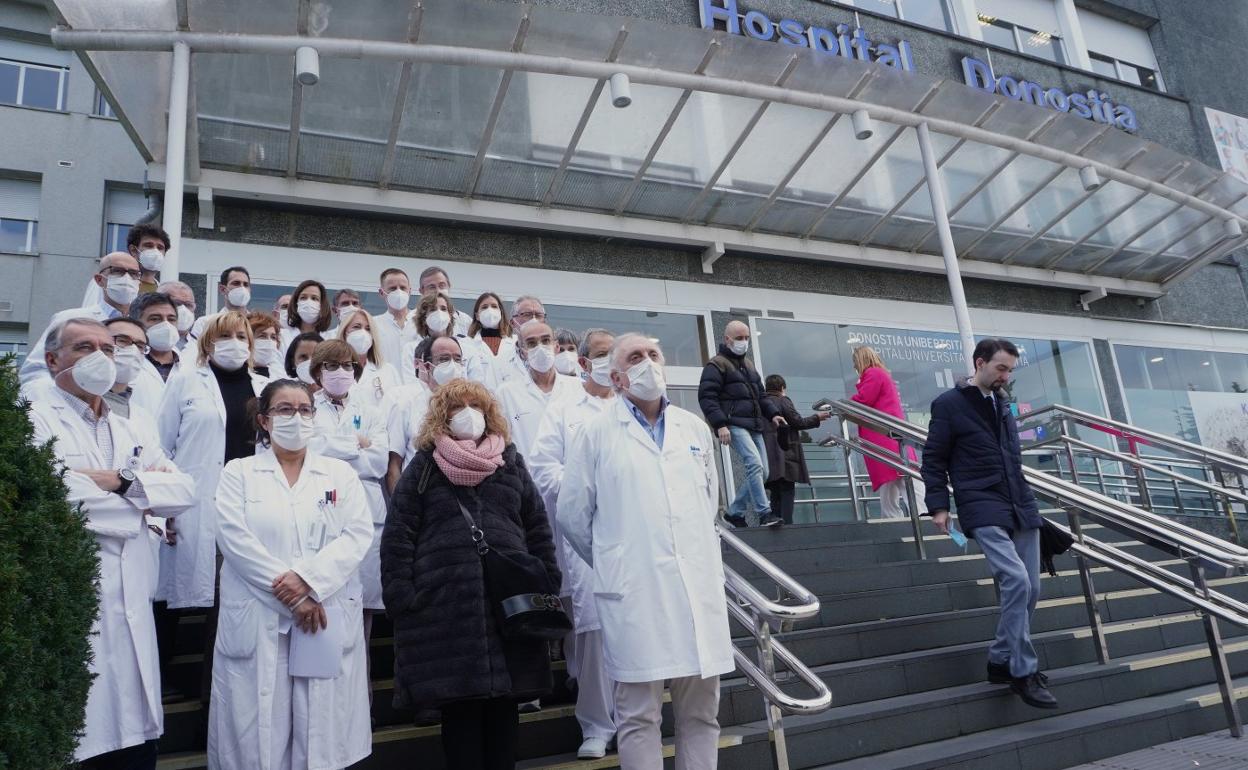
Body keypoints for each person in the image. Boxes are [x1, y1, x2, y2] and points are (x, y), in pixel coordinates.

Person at [558, 333, 733, 770]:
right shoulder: (595, 433)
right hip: (634, 594)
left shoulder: (693, 428)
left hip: (696, 591)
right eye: (635, 357)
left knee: (701, 714)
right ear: (615, 377)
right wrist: (618, 561)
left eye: (654, 355)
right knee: (638, 717)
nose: (648, 363)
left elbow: (707, 503)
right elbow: (573, 515)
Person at [29, 317, 195, 770]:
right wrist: (144, 504)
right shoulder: (34, 417)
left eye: (108, 346)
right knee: (81, 731)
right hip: (75, 593)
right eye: (84, 347)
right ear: (52, 361)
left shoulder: (133, 424)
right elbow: (57, 493)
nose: (101, 357)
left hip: (134, 595)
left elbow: (184, 492)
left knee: (134, 739)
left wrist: (119, 480)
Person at [382, 379, 560, 770]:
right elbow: (399, 534)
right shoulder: (424, 467)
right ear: (441, 418)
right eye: (457, 407)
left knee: (504, 721)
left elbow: (536, 524)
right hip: (445, 611)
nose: (468, 413)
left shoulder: (510, 462)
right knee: (460, 721)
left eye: (475, 405)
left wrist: (547, 577)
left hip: (508, 608)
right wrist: (404, 596)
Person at [209, 379, 373, 770]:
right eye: (284, 409)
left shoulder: (339, 474)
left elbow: (357, 533)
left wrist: (312, 581)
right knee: (259, 736)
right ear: (264, 421)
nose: (296, 417)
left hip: (323, 611)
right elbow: (234, 539)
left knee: (321, 739)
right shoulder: (239, 472)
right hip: (262, 615)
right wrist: (295, 594)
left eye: (304, 409)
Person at [921, 338, 1055, 709]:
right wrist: (938, 506)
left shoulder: (1001, 402)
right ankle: (1021, 670)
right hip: (980, 504)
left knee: (1031, 591)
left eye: (1010, 369)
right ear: (980, 362)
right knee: (1015, 580)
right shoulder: (948, 404)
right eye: (1001, 368)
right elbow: (934, 458)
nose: (1006, 376)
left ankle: (999, 659)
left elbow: (1011, 455)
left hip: (1019, 502)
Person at [156, 311, 269, 707]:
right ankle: (165, 675)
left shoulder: (263, 386)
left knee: (232, 599)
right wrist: (163, 508)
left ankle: (219, 690)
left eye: (242, 335)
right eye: (225, 335)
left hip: (247, 505)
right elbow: (161, 446)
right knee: (181, 594)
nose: (234, 341)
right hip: (195, 502)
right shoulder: (186, 381)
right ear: (207, 342)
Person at [528, 329, 617, 760]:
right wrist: (589, 490)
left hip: (635, 535)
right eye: (602, 354)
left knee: (636, 629)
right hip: (588, 537)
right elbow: (543, 467)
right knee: (595, 633)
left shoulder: (633, 407)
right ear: (582, 362)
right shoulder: (563, 408)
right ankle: (597, 724)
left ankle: (635, 719)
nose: (611, 362)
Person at [307, 340, 390, 666]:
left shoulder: (370, 410)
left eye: (347, 366)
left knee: (365, 603)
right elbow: (311, 451)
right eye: (331, 366)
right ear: (317, 371)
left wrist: (334, 447)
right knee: (327, 591)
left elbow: (379, 462)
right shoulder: (307, 408)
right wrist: (357, 442)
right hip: (323, 505)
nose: (340, 372)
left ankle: (362, 685)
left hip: (367, 507)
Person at [698, 320, 785, 529]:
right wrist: (720, 425)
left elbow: (761, 395)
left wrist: (773, 413)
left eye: (746, 338)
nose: (744, 342)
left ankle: (734, 512)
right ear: (727, 339)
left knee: (763, 471)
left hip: (754, 425)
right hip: (733, 424)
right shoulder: (716, 364)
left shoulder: (748, 365)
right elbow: (707, 397)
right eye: (739, 338)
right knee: (754, 464)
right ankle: (764, 513)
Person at [21, 251, 142, 385]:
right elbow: (35, 371)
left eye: (133, 274)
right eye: (117, 271)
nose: (127, 278)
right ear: (99, 280)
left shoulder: (141, 330)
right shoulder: (69, 319)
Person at [851, 346, 927, 520]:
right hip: (889, 437)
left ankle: (918, 516)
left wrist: (847, 402)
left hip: (884, 438)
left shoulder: (873, 374)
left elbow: (864, 399)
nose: (855, 367)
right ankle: (913, 516)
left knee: (897, 478)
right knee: (896, 479)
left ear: (861, 360)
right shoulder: (881, 374)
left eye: (855, 363)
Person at [495, 320, 580, 457]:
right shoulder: (506, 393)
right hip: (526, 476)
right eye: (532, 343)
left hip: (571, 476)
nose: (540, 348)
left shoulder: (579, 388)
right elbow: (502, 442)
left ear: (556, 347)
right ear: (522, 353)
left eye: (546, 341)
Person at [762, 374, 831, 525]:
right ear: (782, 388)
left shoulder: (762, 403)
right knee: (787, 491)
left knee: (775, 493)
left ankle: (776, 525)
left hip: (768, 457)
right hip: (786, 454)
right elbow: (797, 422)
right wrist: (817, 418)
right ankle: (787, 526)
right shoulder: (783, 400)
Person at [339, 309, 401, 413]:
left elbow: (397, 408)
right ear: (345, 332)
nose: (363, 332)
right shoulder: (333, 370)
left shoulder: (388, 371)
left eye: (368, 329)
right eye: (357, 327)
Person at [102, 317, 163, 419]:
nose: (133, 350)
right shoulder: (79, 403)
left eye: (140, 346)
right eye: (122, 341)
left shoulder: (143, 418)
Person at [462, 291, 519, 393]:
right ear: (477, 315)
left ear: (500, 312)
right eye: (484, 307)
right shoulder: (466, 344)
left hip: (512, 401)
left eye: (494, 306)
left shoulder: (516, 342)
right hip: (481, 402)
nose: (490, 310)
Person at [374, 268, 420, 377]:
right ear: (381, 292)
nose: (399, 292)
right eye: (393, 288)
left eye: (403, 288)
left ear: (410, 291)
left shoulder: (423, 322)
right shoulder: (372, 325)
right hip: (385, 389)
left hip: (417, 389)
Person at [189, 266, 251, 342]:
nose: (242, 288)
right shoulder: (205, 323)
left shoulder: (258, 324)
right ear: (222, 289)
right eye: (236, 283)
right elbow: (195, 352)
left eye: (246, 284)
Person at [131, 292, 182, 382]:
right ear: (136, 324)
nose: (166, 325)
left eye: (171, 319)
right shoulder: (125, 361)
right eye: (155, 319)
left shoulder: (192, 365)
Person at [417, 265, 472, 335]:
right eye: (432, 287)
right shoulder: (409, 322)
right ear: (421, 291)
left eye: (442, 285)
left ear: (449, 286)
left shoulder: (465, 321)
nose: (438, 291)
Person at [283, 279, 333, 351]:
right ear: (296, 303)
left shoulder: (331, 339)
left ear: (322, 305)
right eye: (303, 298)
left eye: (314, 298)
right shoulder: (283, 336)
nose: (308, 302)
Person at [127, 223, 171, 295]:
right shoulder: (115, 286)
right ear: (133, 250)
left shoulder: (166, 294)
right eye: (149, 246)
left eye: (160, 248)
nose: (155, 251)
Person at [155, 280, 197, 352]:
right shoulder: (140, 342)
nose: (184, 310)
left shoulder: (203, 348)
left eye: (188, 305)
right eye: (177, 303)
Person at [247, 312, 283, 378]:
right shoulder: (238, 377)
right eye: (262, 336)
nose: (269, 341)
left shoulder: (281, 375)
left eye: (273, 337)